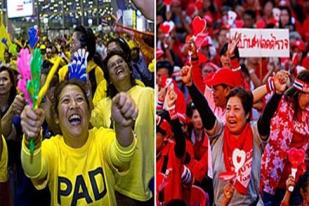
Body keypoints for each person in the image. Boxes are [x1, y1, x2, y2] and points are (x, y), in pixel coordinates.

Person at [180, 64, 288, 205]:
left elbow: (266, 117)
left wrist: (278, 94)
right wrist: (190, 85)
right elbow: (204, 109)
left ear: (247, 114)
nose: (230, 114)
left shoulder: (255, 133)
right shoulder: (218, 133)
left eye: (236, 109)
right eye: (229, 109)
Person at [20, 79, 138, 205]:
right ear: (56, 117)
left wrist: (123, 126)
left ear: (88, 111)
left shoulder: (102, 137)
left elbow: (122, 156)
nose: (74, 105)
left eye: (79, 99)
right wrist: (30, 139)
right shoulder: (51, 148)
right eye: (66, 100)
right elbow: (33, 170)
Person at [91, 51, 154, 205]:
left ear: (129, 68)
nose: (117, 65)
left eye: (120, 61)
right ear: (109, 80)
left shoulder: (148, 94)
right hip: (119, 189)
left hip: (149, 187)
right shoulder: (104, 105)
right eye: (112, 65)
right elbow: (89, 128)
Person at [261, 70, 309, 205]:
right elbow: (255, 103)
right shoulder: (281, 103)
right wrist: (273, 87)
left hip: (295, 178)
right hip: (272, 174)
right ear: (301, 92)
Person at [58, 26, 106, 105]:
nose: (70, 45)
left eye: (73, 42)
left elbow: (100, 104)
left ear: (84, 48)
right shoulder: (63, 72)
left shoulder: (96, 72)